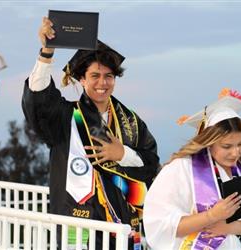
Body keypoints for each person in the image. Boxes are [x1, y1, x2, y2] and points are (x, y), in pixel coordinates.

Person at [22, 17, 159, 249]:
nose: (102, 83)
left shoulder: (132, 122)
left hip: (121, 222)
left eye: (109, 76)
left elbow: (150, 162)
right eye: (95, 76)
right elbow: (38, 98)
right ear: (82, 79)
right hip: (76, 219)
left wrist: (122, 153)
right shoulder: (65, 117)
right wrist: (46, 52)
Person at [143, 88, 241, 250]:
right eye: (226, 146)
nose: (235, 152)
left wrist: (232, 227)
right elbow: (161, 226)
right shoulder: (181, 169)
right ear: (209, 143)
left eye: (240, 144)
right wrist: (211, 216)